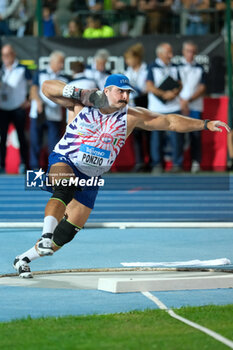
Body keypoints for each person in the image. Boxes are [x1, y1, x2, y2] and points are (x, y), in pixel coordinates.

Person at [13, 73, 230, 278]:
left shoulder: (132, 117)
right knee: (65, 188)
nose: (125, 96)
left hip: (91, 177)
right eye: (120, 91)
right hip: (65, 160)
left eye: (128, 92)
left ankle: (22, 258)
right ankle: (45, 236)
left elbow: (170, 122)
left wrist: (206, 124)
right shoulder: (82, 104)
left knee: (68, 232)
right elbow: (46, 88)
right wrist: (81, 93)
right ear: (106, 91)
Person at [146, 42, 183, 173]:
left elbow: (180, 84)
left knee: (176, 137)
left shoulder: (175, 67)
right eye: (168, 53)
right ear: (160, 54)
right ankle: (157, 164)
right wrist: (164, 94)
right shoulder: (152, 67)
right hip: (156, 109)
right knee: (156, 138)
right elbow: (149, 86)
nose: (171, 55)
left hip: (174, 107)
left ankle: (177, 163)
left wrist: (174, 93)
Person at [29, 51, 68, 170]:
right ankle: (35, 168)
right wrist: (38, 101)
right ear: (52, 62)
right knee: (35, 142)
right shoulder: (40, 73)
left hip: (54, 115)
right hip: (38, 113)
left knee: (54, 144)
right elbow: (33, 90)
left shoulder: (64, 77)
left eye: (63, 62)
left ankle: (54, 168)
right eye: (59, 62)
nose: (61, 65)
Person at [0, 44, 32, 174]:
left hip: (18, 107)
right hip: (2, 108)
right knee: (2, 138)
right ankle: (1, 165)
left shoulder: (22, 68)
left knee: (21, 137)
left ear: (14, 54)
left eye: (8, 54)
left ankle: (24, 164)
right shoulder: (1, 69)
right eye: (3, 55)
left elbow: (33, 85)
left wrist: (28, 100)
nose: (5, 57)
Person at [178, 41, 207, 173]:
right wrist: (182, 102)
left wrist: (188, 101)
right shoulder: (176, 67)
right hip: (178, 106)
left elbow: (202, 87)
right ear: (183, 52)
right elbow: (175, 86)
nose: (190, 54)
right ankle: (177, 163)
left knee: (196, 135)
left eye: (193, 51)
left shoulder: (200, 68)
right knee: (178, 135)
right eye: (188, 51)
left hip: (195, 107)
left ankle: (196, 162)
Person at [124, 43, 149, 171]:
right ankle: (139, 162)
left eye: (129, 59)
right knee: (136, 135)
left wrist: (135, 88)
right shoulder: (127, 72)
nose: (127, 62)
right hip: (133, 106)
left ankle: (150, 162)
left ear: (136, 58)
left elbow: (145, 88)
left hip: (145, 104)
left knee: (148, 134)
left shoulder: (146, 69)